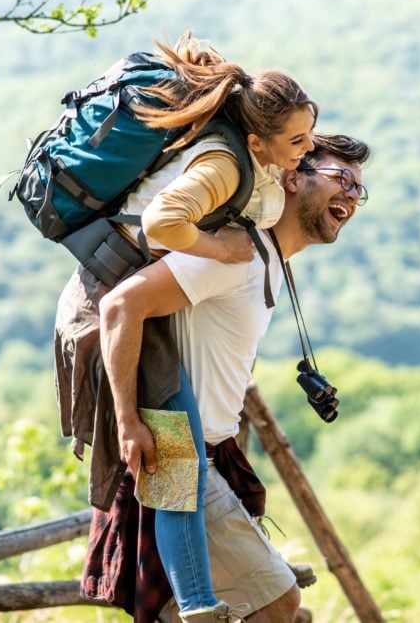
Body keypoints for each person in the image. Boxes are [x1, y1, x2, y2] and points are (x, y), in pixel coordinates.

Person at [54, 34, 318, 619]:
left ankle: (195, 603)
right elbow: (161, 220)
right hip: (109, 306)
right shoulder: (225, 163)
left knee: (181, 462)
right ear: (257, 141)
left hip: (128, 302)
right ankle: (198, 607)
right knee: (178, 463)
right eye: (296, 141)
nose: (306, 151)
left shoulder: (248, 157)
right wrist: (216, 250)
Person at [87, 134, 371, 622]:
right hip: (177, 455)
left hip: (207, 456)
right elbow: (120, 305)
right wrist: (127, 422)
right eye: (340, 178)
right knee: (277, 600)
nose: (351, 194)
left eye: (359, 189)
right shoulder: (234, 255)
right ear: (293, 175)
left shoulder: (267, 262)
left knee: (205, 612)